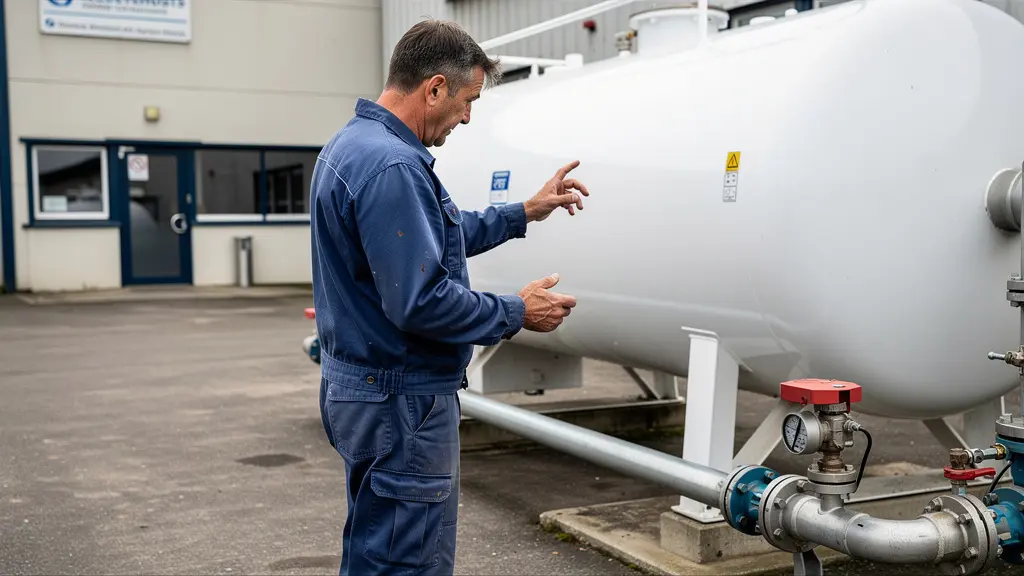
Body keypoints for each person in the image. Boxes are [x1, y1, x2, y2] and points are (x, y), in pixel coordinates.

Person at [309, 18, 589, 576]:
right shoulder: (393, 164)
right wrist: (516, 312)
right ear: (434, 87)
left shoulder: (354, 146)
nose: (466, 116)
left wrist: (524, 211)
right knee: (407, 562)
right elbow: (420, 301)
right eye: (467, 101)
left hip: (364, 391)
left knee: (376, 549)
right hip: (401, 403)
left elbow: (432, 236)